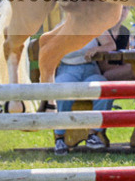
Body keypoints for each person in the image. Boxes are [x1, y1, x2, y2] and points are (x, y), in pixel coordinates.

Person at [51, 21, 123, 155]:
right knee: (62, 90)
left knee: (105, 90)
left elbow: (111, 45)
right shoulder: (61, 27)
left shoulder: (94, 24)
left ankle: (93, 134)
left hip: (90, 70)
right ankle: (59, 137)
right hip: (68, 70)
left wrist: (97, 49)